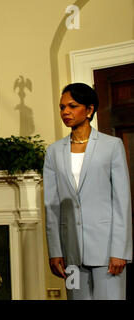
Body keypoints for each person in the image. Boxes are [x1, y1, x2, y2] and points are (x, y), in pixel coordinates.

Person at [43, 83, 132, 300]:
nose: (65, 112)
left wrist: (119, 251)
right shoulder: (53, 151)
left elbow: (122, 202)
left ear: (89, 110)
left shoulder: (112, 146)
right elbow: (52, 205)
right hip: (70, 254)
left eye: (72, 106)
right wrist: (55, 251)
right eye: (62, 107)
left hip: (107, 251)